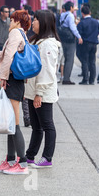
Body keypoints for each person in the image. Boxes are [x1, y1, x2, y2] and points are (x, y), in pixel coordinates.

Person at [0, 10, 31, 175]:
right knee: (10, 124)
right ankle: (11, 159)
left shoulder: (15, 33)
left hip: (12, 81)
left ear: (18, 21)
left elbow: (8, 58)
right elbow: (1, 55)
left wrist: (3, 78)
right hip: (14, 80)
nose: (10, 22)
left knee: (14, 124)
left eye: (12, 19)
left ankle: (22, 163)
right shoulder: (21, 34)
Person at [24, 10, 61, 168]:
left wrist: (39, 93)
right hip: (34, 90)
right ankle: (30, 155)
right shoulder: (37, 41)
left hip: (43, 91)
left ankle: (47, 157)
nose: (33, 23)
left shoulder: (47, 44)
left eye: (36, 20)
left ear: (44, 22)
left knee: (47, 125)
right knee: (36, 126)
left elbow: (47, 71)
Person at [59, 1, 83, 85]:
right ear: (71, 8)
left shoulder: (63, 15)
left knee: (65, 58)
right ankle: (66, 79)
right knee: (70, 59)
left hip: (63, 38)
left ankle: (65, 77)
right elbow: (73, 28)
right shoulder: (70, 15)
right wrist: (79, 36)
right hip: (70, 39)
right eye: (73, 7)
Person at [77, 4, 99, 85]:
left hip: (85, 44)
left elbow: (79, 34)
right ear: (90, 12)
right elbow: (98, 31)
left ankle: (85, 79)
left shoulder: (81, 23)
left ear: (82, 13)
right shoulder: (96, 22)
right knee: (92, 61)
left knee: (85, 61)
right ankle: (92, 79)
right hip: (94, 43)